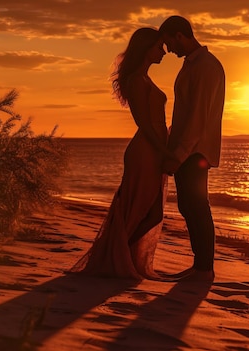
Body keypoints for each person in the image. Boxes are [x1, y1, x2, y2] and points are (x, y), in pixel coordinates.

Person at [70, 28, 173, 280]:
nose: (164, 51)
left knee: (152, 212)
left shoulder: (145, 78)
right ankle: (116, 257)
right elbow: (144, 123)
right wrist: (163, 152)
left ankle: (119, 256)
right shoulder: (137, 80)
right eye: (160, 46)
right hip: (146, 151)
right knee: (141, 209)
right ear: (146, 48)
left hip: (154, 148)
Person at [159, 16, 225, 282]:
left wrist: (179, 154)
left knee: (197, 205)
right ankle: (200, 265)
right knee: (189, 205)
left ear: (179, 35)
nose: (168, 49)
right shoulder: (192, 65)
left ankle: (204, 268)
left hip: (196, 150)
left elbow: (198, 117)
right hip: (188, 147)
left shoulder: (206, 67)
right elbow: (185, 113)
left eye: (169, 42)